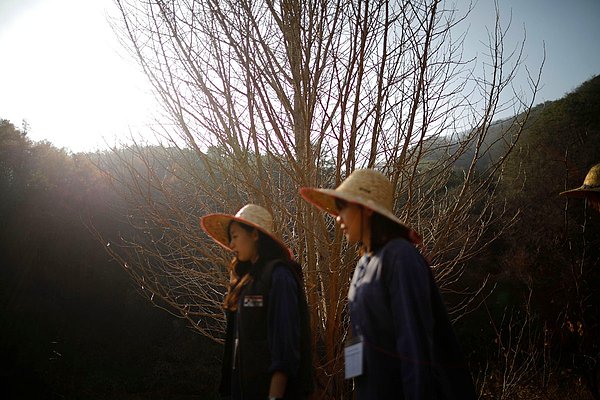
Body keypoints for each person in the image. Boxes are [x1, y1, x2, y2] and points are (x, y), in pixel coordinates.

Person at [300, 169, 476, 399]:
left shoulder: (401, 257)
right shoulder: (364, 263)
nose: (337, 218)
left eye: (343, 208)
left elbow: (415, 347)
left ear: (367, 210)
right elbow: (359, 338)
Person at [200, 204, 313, 400]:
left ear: (254, 235)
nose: (232, 246)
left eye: (235, 236)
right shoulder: (246, 281)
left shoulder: (280, 275)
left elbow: (285, 347)